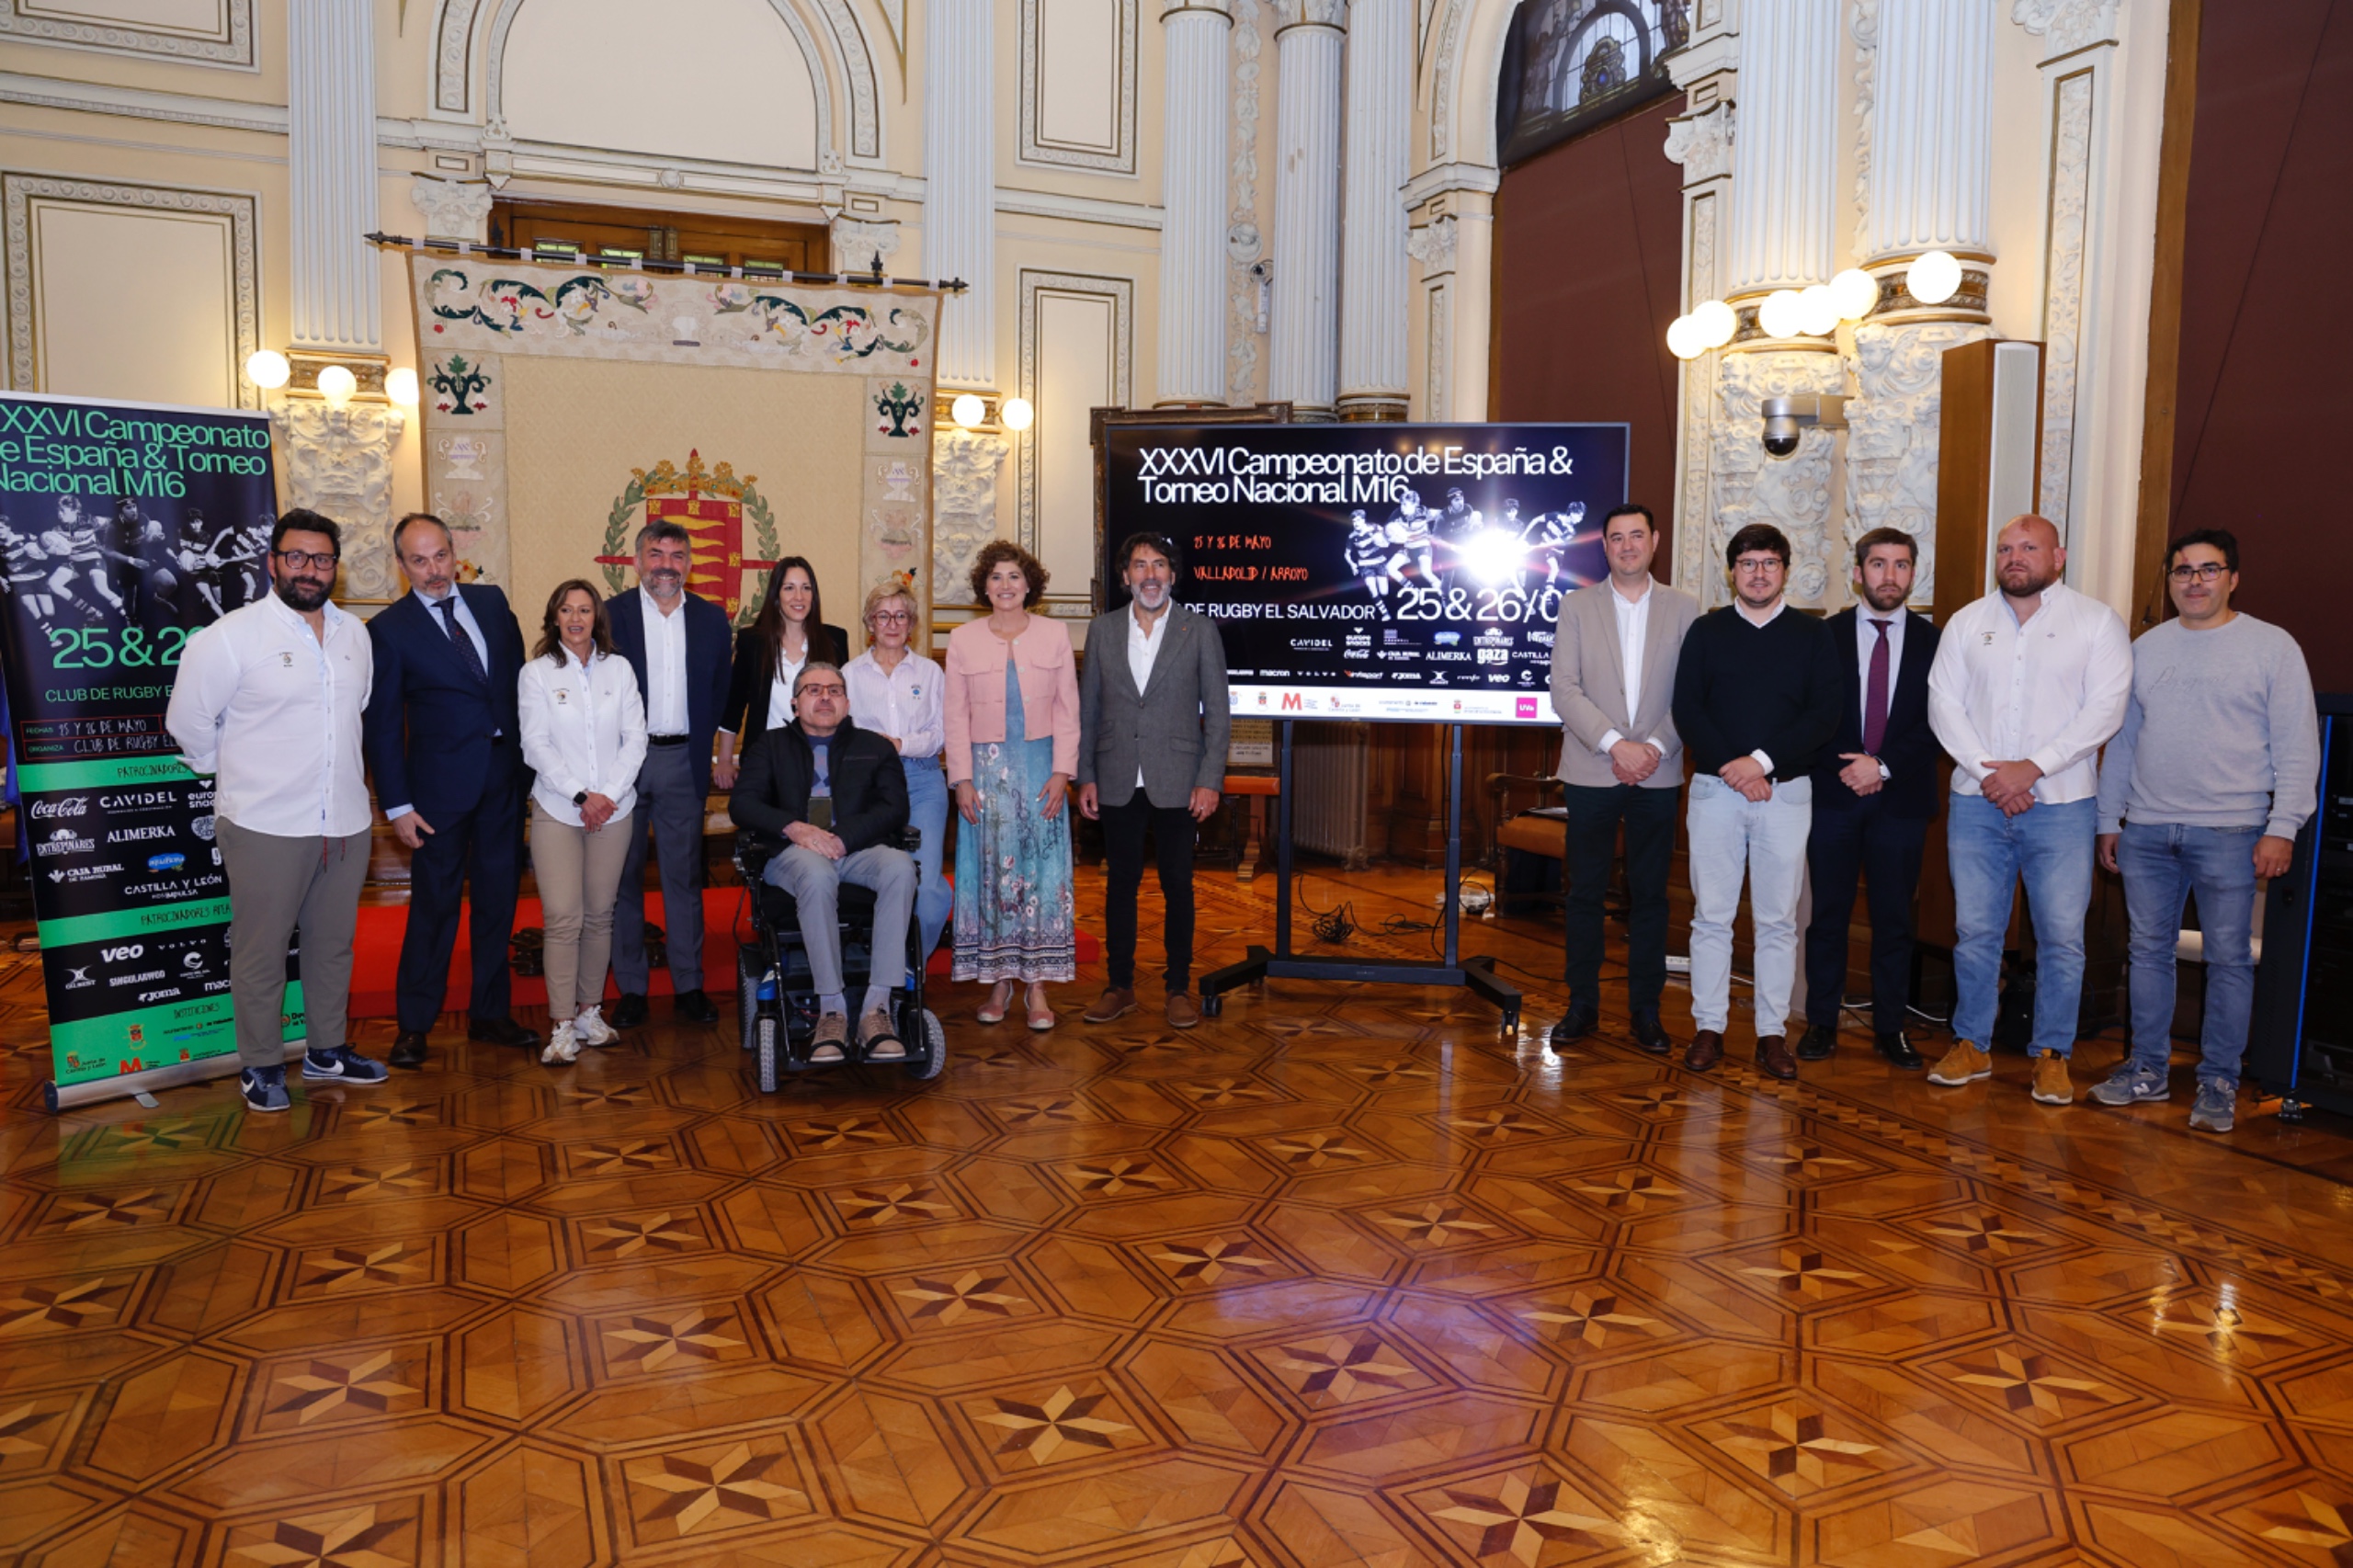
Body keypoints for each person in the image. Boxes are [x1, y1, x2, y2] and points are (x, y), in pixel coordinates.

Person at [2090, 529, 2318, 1132]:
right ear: (2169, 581)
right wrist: (2109, 820)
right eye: (2182, 571)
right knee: (2147, 953)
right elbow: (2124, 742)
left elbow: (2298, 746)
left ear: (2233, 578)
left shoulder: (2272, 647)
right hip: (2146, 831)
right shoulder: (2146, 648)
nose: (2195, 581)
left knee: (2229, 960)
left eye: (2209, 569)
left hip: (2233, 832)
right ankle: (2147, 1069)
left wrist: (2283, 827)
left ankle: (2218, 1081)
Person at [165, 509, 383, 1112]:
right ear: (273, 562)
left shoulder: (356, 635)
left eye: (322, 559)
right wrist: (239, 773)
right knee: (262, 952)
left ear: (335, 568)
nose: (309, 569)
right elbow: (187, 723)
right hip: (264, 823)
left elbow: (357, 710)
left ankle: (326, 1050)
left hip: (344, 820)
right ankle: (261, 1065)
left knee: (332, 945)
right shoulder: (231, 636)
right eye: (297, 557)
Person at [1926, 514, 2132, 1104]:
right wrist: (1992, 773)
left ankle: (2052, 1054)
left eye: (2028, 547)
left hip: (2063, 805)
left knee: (2062, 936)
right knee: (1975, 932)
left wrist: (2033, 767)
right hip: (1978, 803)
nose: (2014, 557)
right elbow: (1943, 705)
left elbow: (2105, 710)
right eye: (2005, 549)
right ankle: (1971, 1044)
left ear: (2058, 557)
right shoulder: (1968, 623)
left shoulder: (2096, 622)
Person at [1670, 522, 1843, 1079]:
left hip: (1786, 794)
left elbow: (1823, 716)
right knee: (1711, 918)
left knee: (1778, 922)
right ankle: (1709, 1028)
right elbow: (1688, 709)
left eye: (1769, 563)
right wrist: (1735, 767)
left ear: (1784, 570)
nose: (1759, 573)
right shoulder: (1706, 631)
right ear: (1732, 572)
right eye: (1748, 564)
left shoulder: (1814, 636)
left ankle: (1772, 1034)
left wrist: (1760, 763)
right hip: (1715, 791)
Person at [362, 513, 532, 1069]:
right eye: (419, 561)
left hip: (503, 783)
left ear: (454, 552)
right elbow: (382, 726)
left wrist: (531, 770)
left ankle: (490, 1014)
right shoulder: (389, 630)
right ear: (401, 565)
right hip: (435, 796)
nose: (434, 570)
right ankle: (414, 1025)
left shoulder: (491, 602)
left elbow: (519, 688)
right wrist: (397, 805)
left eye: (440, 556)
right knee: (433, 911)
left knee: (497, 904)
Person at [1545, 503, 1699, 1056]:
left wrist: (1652, 748)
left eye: (1637, 535)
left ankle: (1646, 1012)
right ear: (1604, 546)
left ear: (1654, 541)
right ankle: (1581, 1005)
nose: (1628, 546)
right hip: (1592, 769)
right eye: (1617, 537)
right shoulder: (1576, 606)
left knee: (1651, 896)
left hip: (1658, 771)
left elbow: (1693, 693)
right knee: (1584, 893)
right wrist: (1616, 745)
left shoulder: (1686, 608)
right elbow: (1563, 688)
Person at [1799, 528, 1945, 1069]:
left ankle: (1891, 1028)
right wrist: (1851, 766)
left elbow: (1941, 721)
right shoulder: (1823, 636)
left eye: (1901, 565)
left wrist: (1881, 766)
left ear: (1913, 574)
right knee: (1828, 918)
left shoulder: (1936, 642)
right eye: (1878, 564)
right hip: (1833, 796)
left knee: (1894, 921)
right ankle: (1821, 1022)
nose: (1890, 576)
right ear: (1858, 572)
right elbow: (1808, 712)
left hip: (1901, 801)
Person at [1077, 532, 1232, 1029]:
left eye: (1159, 564)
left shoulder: (1199, 629)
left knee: (1177, 884)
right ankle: (1119, 986)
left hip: (1179, 778)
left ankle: (1177, 988)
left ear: (1172, 574)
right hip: (1117, 774)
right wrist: (1086, 775)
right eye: (1140, 565)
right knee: (1120, 884)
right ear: (1126, 576)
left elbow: (1219, 713)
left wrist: (1210, 779)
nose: (1150, 574)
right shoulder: (1102, 630)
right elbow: (1088, 709)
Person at [730, 662, 916, 1061]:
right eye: (813, 690)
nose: (825, 697)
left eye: (834, 690)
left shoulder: (875, 747)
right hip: (791, 854)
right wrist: (794, 828)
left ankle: (876, 1009)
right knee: (816, 874)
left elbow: (894, 807)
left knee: (901, 868)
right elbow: (742, 804)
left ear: (847, 703)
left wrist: (844, 838)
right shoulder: (769, 745)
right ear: (796, 703)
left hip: (857, 849)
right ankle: (832, 1010)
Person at [943, 541, 1080, 1028]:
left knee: (1041, 874)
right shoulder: (962, 639)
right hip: (986, 777)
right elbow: (954, 716)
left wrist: (1063, 772)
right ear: (984, 586)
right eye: (996, 577)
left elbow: (1068, 709)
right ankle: (999, 981)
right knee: (993, 876)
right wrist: (961, 779)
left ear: (1029, 585)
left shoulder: (1055, 634)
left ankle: (1037, 985)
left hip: (1041, 771)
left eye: (1014, 576)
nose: (1005, 585)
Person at [606, 521, 733, 1028]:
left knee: (684, 877)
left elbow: (720, 691)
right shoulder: (610, 616)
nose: (666, 565)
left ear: (689, 564)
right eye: (656, 554)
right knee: (624, 877)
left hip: (683, 761)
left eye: (677, 556)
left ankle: (689, 985)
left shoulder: (711, 619)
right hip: (623, 765)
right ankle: (632, 988)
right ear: (637, 561)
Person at [517, 580, 648, 1065]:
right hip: (558, 808)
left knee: (599, 915)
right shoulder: (536, 673)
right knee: (563, 917)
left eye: (585, 610)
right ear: (554, 617)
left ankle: (590, 1012)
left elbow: (636, 739)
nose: (576, 618)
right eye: (567, 610)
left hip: (614, 809)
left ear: (597, 618)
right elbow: (535, 744)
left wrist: (607, 796)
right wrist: (579, 794)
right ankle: (561, 1024)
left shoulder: (620, 669)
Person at [844, 580, 951, 974]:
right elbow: (841, 735)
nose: (892, 624)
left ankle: (908, 970)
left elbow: (940, 733)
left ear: (912, 624)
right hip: (867, 785)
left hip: (922, 780)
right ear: (870, 623)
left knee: (927, 886)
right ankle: (869, 964)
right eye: (883, 616)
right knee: (880, 877)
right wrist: (877, 750)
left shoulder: (931, 672)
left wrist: (900, 744)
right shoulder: (850, 674)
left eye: (901, 616)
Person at [717, 556, 849, 780]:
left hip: (821, 763)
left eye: (806, 588)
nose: (799, 597)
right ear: (776, 595)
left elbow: (843, 707)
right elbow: (734, 706)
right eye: (789, 588)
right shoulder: (753, 642)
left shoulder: (834, 640)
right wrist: (724, 761)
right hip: (765, 762)